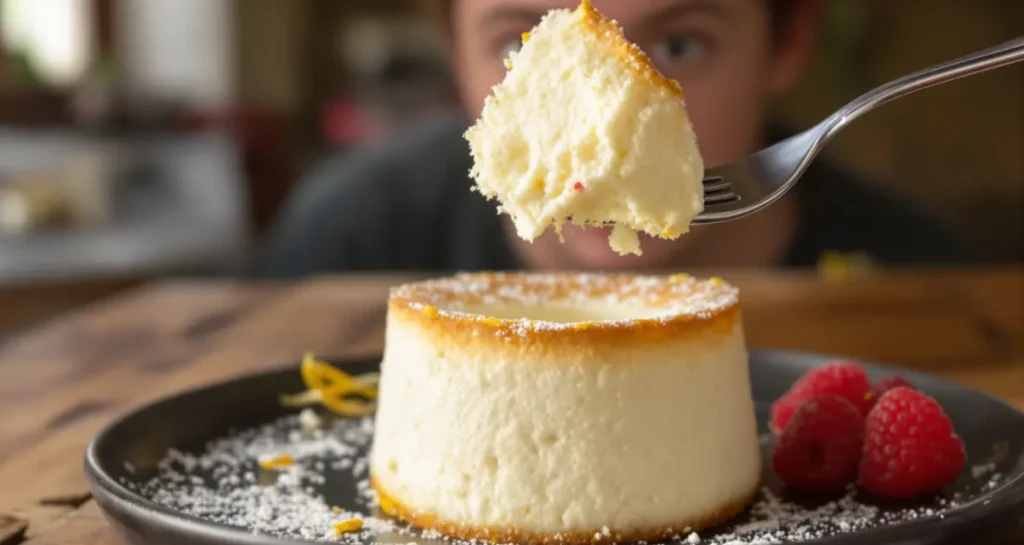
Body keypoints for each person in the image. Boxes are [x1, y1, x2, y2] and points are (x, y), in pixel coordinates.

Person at [255, 0, 970, 278]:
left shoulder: (927, 277)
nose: (600, 136)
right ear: (452, 49)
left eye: (681, 45)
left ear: (786, 44)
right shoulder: (345, 246)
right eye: (525, 47)